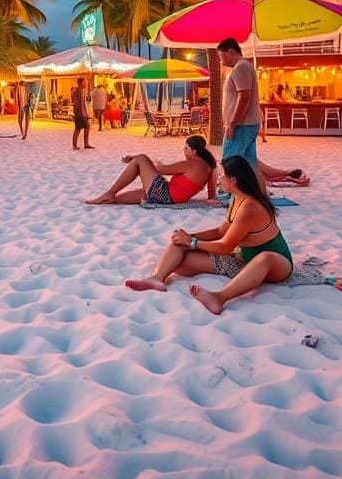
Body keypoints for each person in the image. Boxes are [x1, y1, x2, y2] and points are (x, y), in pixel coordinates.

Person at [125, 155, 294, 314]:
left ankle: (219, 297)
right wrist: (187, 237)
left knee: (265, 258)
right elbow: (221, 231)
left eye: (221, 176)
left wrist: (192, 242)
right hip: (241, 258)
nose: (219, 179)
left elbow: (225, 246)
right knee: (179, 259)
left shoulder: (250, 207)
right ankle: (157, 277)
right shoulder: (236, 197)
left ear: (233, 181)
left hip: (276, 265)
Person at [86, 135, 217, 205]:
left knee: (141, 158)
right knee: (116, 200)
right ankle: (110, 197)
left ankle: (110, 192)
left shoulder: (192, 164)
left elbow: (159, 169)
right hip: (168, 195)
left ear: (194, 151)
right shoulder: (208, 166)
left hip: (164, 195)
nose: (184, 151)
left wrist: (135, 158)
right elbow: (211, 192)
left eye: (185, 148)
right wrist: (211, 199)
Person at [216, 38, 263, 187]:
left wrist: (234, 123)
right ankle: (259, 193)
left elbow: (244, 96)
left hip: (241, 125)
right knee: (249, 162)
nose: (221, 61)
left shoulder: (241, 68)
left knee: (230, 161)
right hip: (248, 123)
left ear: (230, 51)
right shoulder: (244, 66)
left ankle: (229, 194)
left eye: (221, 56)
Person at [71, 77, 93, 150]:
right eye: (85, 82)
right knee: (78, 129)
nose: (86, 84)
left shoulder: (82, 90)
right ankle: (75, 145)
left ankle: (86, 144)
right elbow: (77, 103)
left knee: (87, 127)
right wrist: (80, 113)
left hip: (83, 113)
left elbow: (84, 103)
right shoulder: (77, 91)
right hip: (79, 113)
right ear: (81, 83)